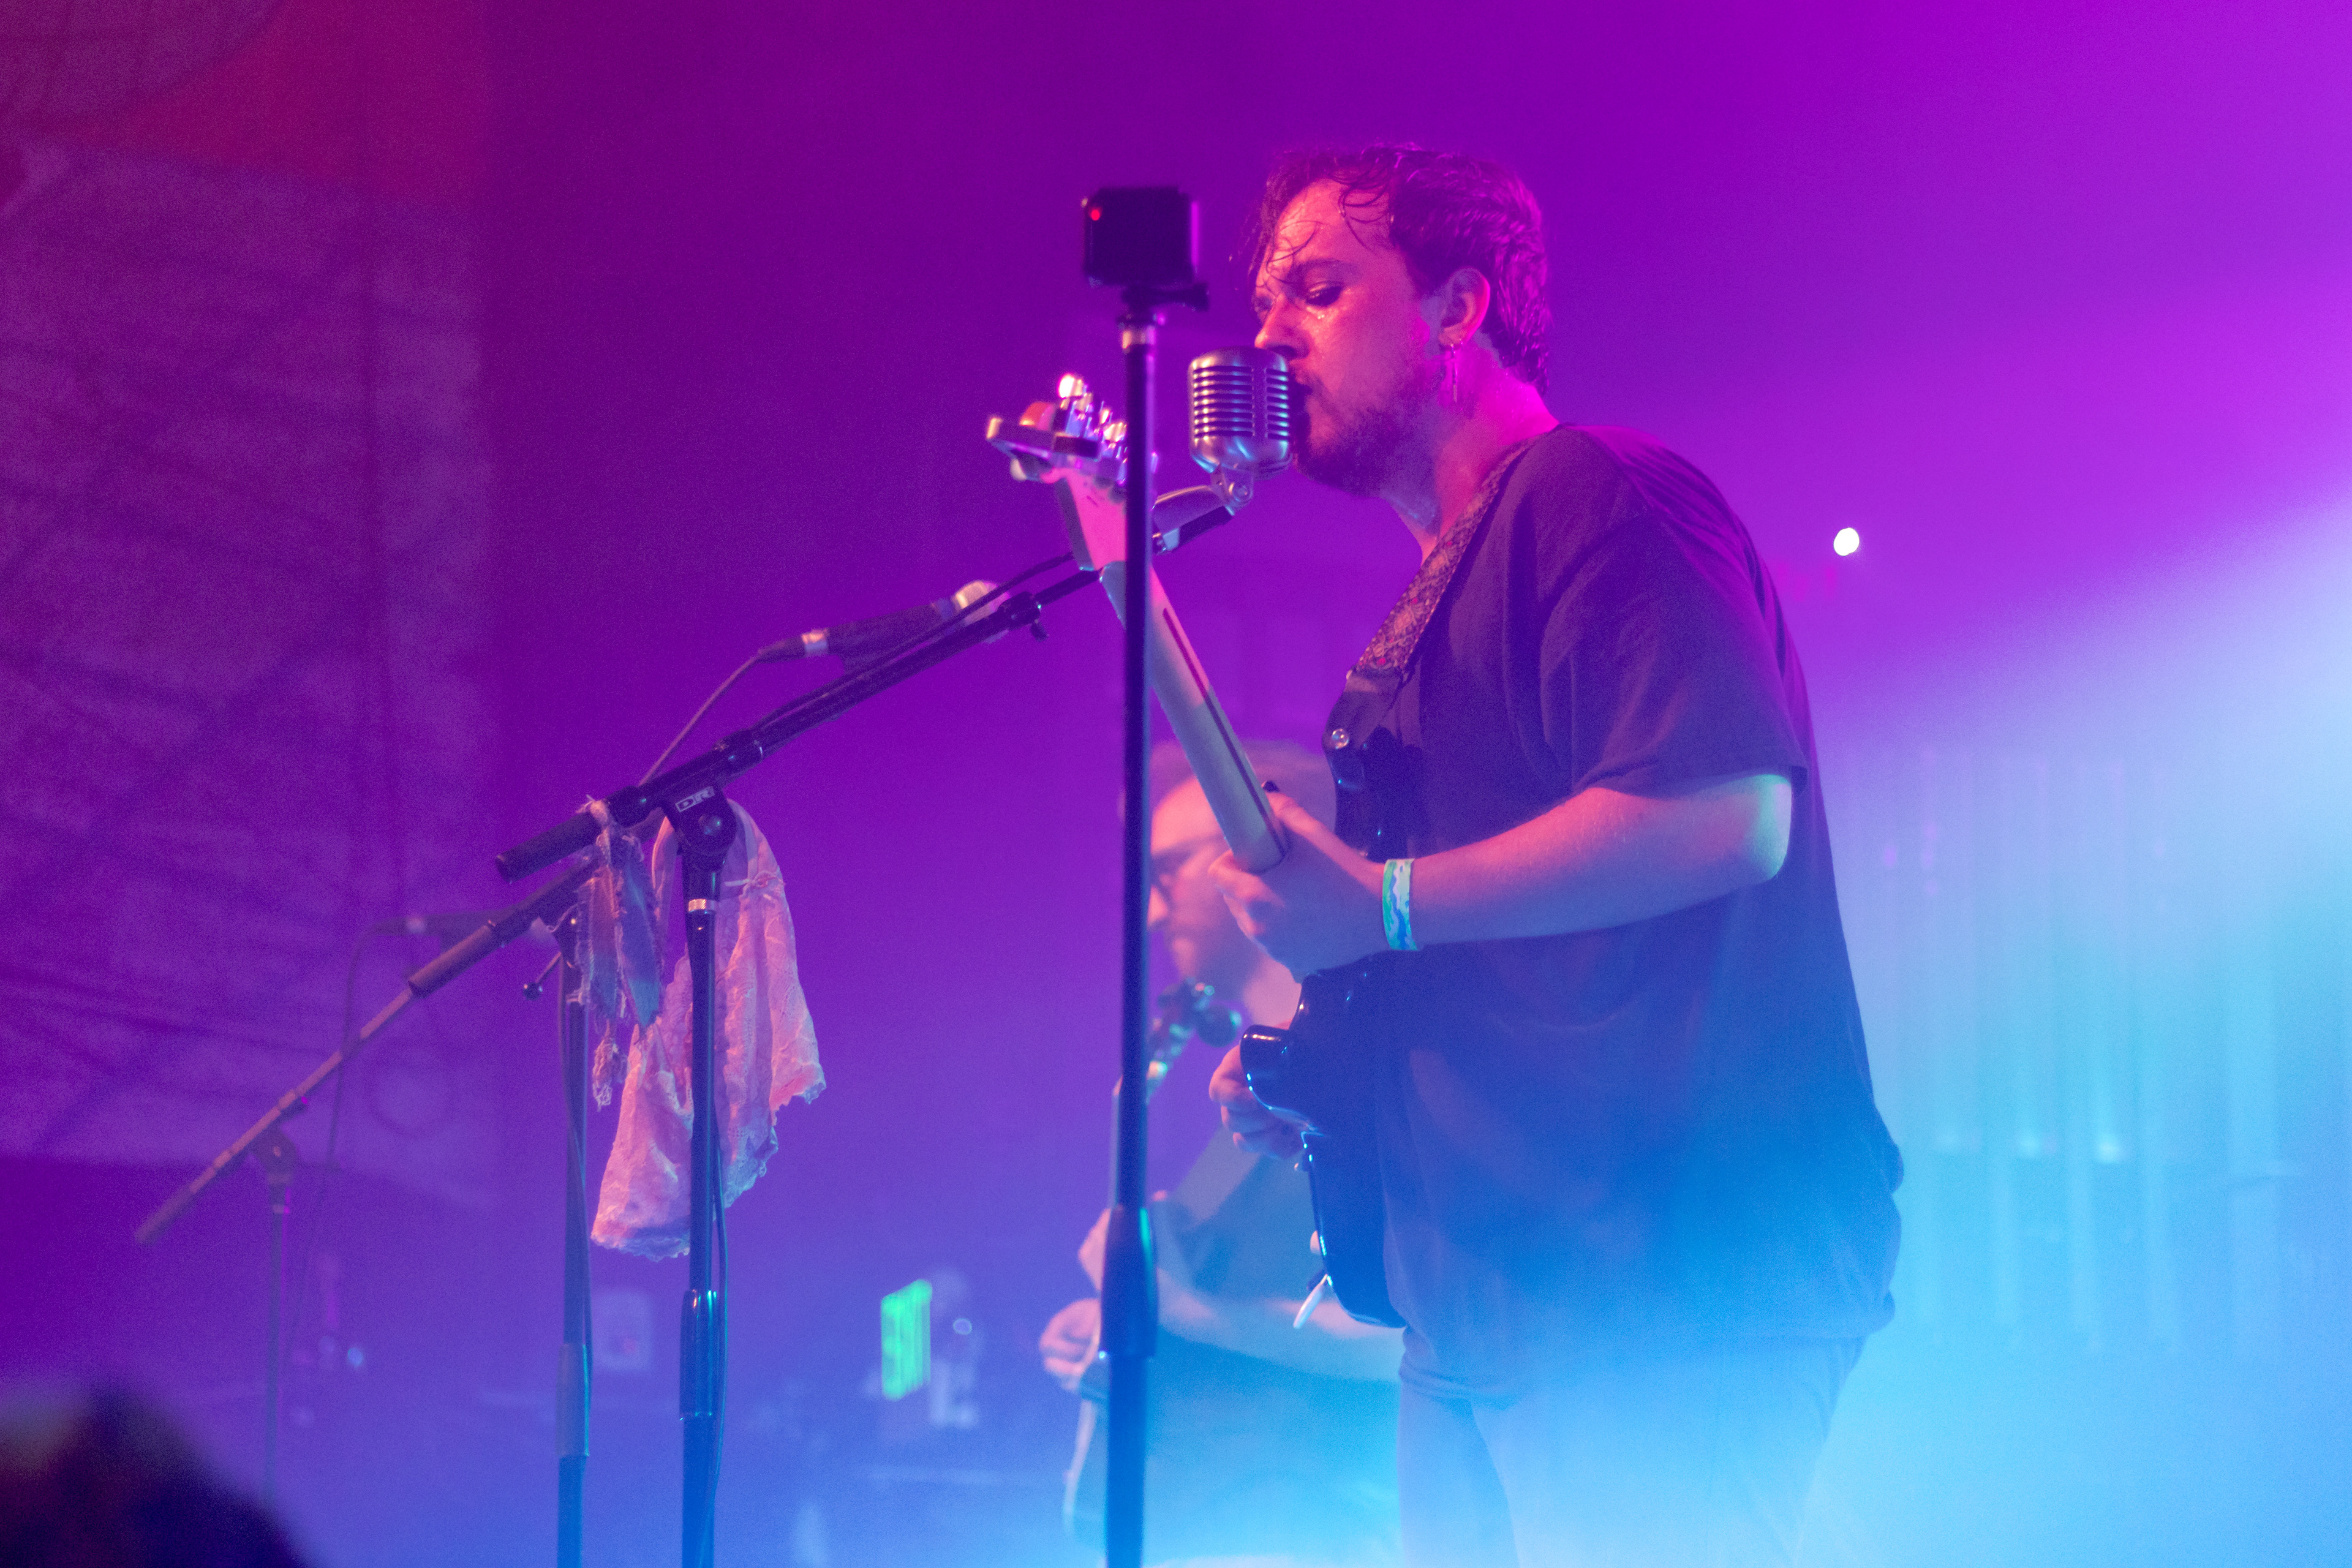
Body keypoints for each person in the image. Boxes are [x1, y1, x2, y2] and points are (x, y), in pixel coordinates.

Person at [1202, 146, 1904, 1568]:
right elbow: (1513, 945)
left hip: (1661, 1274)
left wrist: (1385, 905)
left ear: (1460, 309)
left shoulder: (1594, 492)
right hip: (1488, 1284)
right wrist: (1344, 1081)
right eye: (1266, 298)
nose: (1268, 334)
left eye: (1320, 289)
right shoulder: (1441, 581)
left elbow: (1726, 813)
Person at [1039, 741, 1405, 1568]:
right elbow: (1215, 1294)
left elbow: (1413, 1338)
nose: (1155, 913)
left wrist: (1183, 1314)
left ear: (1262, 857)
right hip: (1208, 1522)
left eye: (1170, 872)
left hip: (1317, 1528)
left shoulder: (1389, 1062)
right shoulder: (1236, 1103)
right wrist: (1114, 1328)